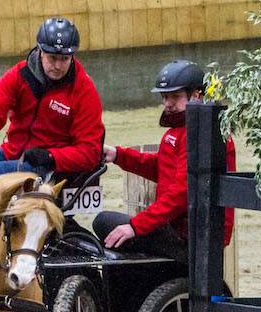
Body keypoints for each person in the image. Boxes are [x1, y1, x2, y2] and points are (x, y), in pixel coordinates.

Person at [0, 17, 105, 213]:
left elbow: (90, 152)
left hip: (48, 167)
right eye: (52, 58)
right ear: (40, 51)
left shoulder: (84, 90)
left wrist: (51, 157)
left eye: (65, 59)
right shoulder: (19, 74)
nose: (58, 66)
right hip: (11, 152)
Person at [94, 60, 235, 264]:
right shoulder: (181, 130)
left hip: (192, 237)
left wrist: (135, 226)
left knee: (104, 222)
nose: (167, 103)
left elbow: (182, 192)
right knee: (108, 225)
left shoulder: (202, 133)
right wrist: (118, 155)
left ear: (196, 95)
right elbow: (162, 167)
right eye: (165, 97)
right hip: (179, 229)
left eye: (175, 97)